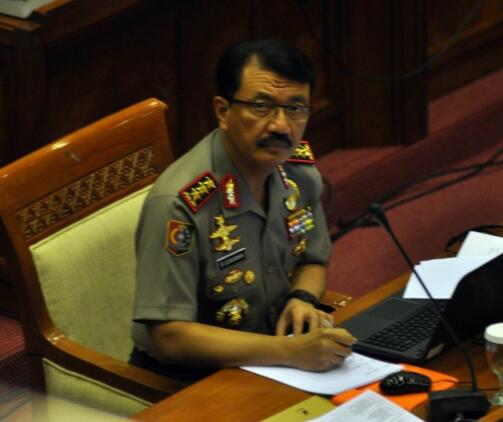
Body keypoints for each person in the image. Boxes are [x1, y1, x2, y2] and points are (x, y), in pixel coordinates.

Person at [130, 38, 356, 382]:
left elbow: (312, 259)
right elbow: (169, 337)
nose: (281, 126)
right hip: (193, 378)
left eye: (296, 108)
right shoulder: (180, 204)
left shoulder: (299, 174)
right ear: (223, 111)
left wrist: (302, 299)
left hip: (275, 354)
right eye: (262, 107)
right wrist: (291, 353)